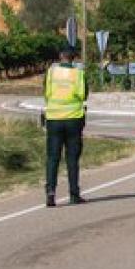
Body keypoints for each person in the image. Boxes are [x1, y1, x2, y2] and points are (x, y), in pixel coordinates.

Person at [44, 47, 88, 207]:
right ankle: (74, 194)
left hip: (54, 118)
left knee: (52, 157)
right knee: (72, 158)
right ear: (73, 58)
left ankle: (50, 192)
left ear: (60, 57)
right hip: (73, 119)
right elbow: (83, 95)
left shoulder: (51, 73)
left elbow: (47, 93)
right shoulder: (78, 74)